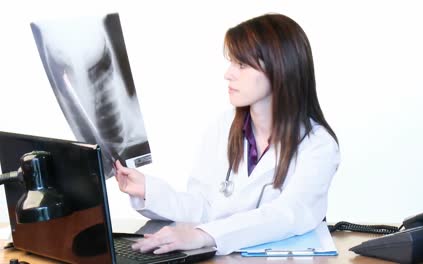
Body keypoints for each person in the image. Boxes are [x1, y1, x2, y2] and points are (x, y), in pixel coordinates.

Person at [114, 13, 340, 256]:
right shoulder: (224, 127)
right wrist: (149, 191)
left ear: (280, 68)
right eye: (232, 62)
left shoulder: (318, 145)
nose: (228, 74)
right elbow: (205, 206)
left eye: (241, 65)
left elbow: (289, 214)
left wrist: (204, 235)